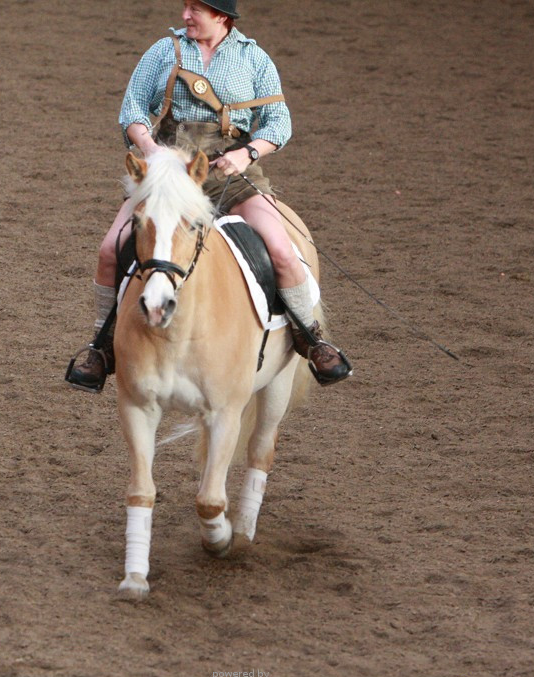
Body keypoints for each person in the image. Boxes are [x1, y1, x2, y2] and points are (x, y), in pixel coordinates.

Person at [66, 0, 351, 392]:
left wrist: (246, 153)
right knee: (110, 249)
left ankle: (311, 337)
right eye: (185, 7)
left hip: (230, 174)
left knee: (282, 250)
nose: (185, 16)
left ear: (221, 16)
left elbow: (279, 122)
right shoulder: (164, 50)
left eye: (195, 9)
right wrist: (150, 148)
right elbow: (132, 106)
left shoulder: (255, 60)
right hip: (169, 172)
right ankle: (101, 346)